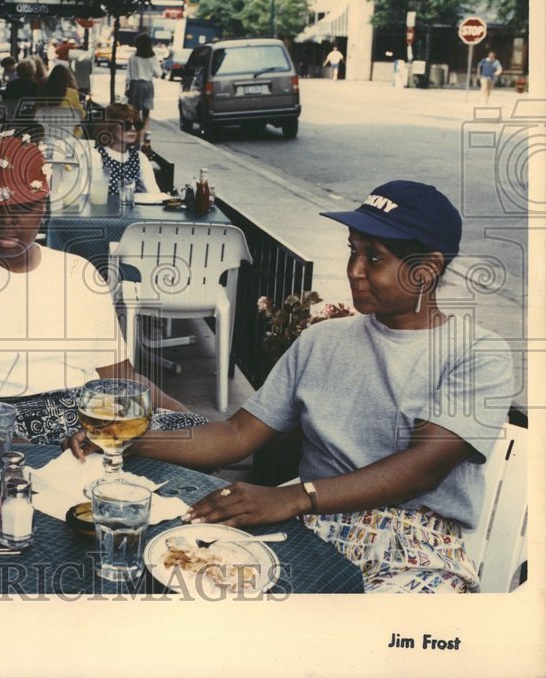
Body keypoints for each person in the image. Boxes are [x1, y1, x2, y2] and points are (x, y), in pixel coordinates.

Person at [69, 180, 513, 593]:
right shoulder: (324, 340)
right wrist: (132, 440)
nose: (355, 270)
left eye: (374, 257)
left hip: (414, 547)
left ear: (426, 270)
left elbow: (423, 467)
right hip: (313, 530)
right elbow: (237, 435)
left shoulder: (476, 353)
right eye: (352, 251)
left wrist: (294, 497)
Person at [0, 133, 202, 444]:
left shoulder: (79, 273)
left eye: (22, 208)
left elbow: (119, 378)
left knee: (195, 435)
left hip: (89, 422)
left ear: (43, 206)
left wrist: (182, 415)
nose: (6, 221)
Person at [94, 103, 162, 197]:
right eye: (127, 125)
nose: (133, 129)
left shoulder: (139, 158)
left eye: (137, 125)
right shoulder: (96, 156)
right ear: (110, 126)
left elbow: (154, 193)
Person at [125, 33, 162, 133]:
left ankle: (135, 133)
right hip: (148, 85)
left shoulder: (133, 57)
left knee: (134, 112)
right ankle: (146, 134)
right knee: (146, 112)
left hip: (135, 85)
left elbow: (128, 75)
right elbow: (158, 74)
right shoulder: (153, 58)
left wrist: (126, 89)